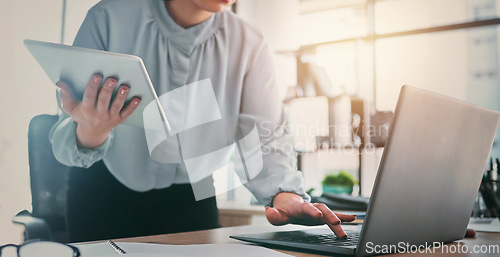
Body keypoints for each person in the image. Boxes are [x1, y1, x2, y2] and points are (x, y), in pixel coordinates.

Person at [50, 0, 356, 242]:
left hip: (190, 197)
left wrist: (283, 192)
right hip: (102, 191)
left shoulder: (249, 43)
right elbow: (72, 124)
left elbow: (265, 137)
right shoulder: (108, 16)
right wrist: (93, 129)